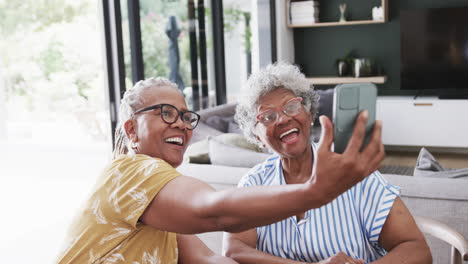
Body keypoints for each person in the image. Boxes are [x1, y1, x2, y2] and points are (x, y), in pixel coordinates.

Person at [57, 76, 385, 264]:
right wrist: (314, 193)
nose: (182, 125)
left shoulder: (157, 202)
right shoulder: (130, 172)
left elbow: (210, 261)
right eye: (166, 113)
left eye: (186, 116)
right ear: (131, 130)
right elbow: (214, 213)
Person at [224, 63, 432, 264]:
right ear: (257, 137)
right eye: (268, 116)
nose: (282, 119)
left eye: (291, 106)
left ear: (310, 114)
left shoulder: (353, 174)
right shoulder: (254, 183)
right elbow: (234, 250)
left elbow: (416, 250)